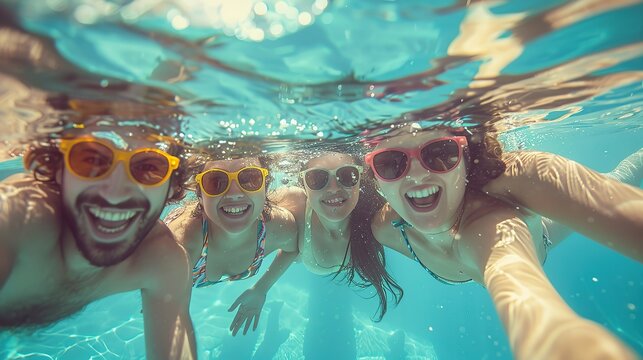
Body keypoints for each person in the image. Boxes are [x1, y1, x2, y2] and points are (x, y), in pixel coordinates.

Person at [367, 124, 640, 359]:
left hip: (538, 232)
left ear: (464, 159)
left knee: (616, 179)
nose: (416, 175)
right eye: (390, 163)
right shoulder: (384, 227)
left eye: (440, 154)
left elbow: (521, 288)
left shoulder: (490, 226)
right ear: (376, 181)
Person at [0, 120, 197, 359]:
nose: (114, 194)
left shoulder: (160, 259)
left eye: (149, 167)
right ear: (59, 170)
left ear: (172, 186)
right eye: (91, 159)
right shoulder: (19, 217)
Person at [165, 152, 298, 336]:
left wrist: (261, 289)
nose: (234, 193)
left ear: (265, 187)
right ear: (199, 192)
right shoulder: (180, 245)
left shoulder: (279, 227)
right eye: (215, 181)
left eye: (250, 178)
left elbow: (292, 250)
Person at [273, 151, 402, 320]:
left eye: (347, 176)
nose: (333, 188)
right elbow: (290, 249)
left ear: (360, 180)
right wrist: (260, 288)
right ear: (303, 184)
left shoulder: (375, 217)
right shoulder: (295, 204)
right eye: (317, 178)